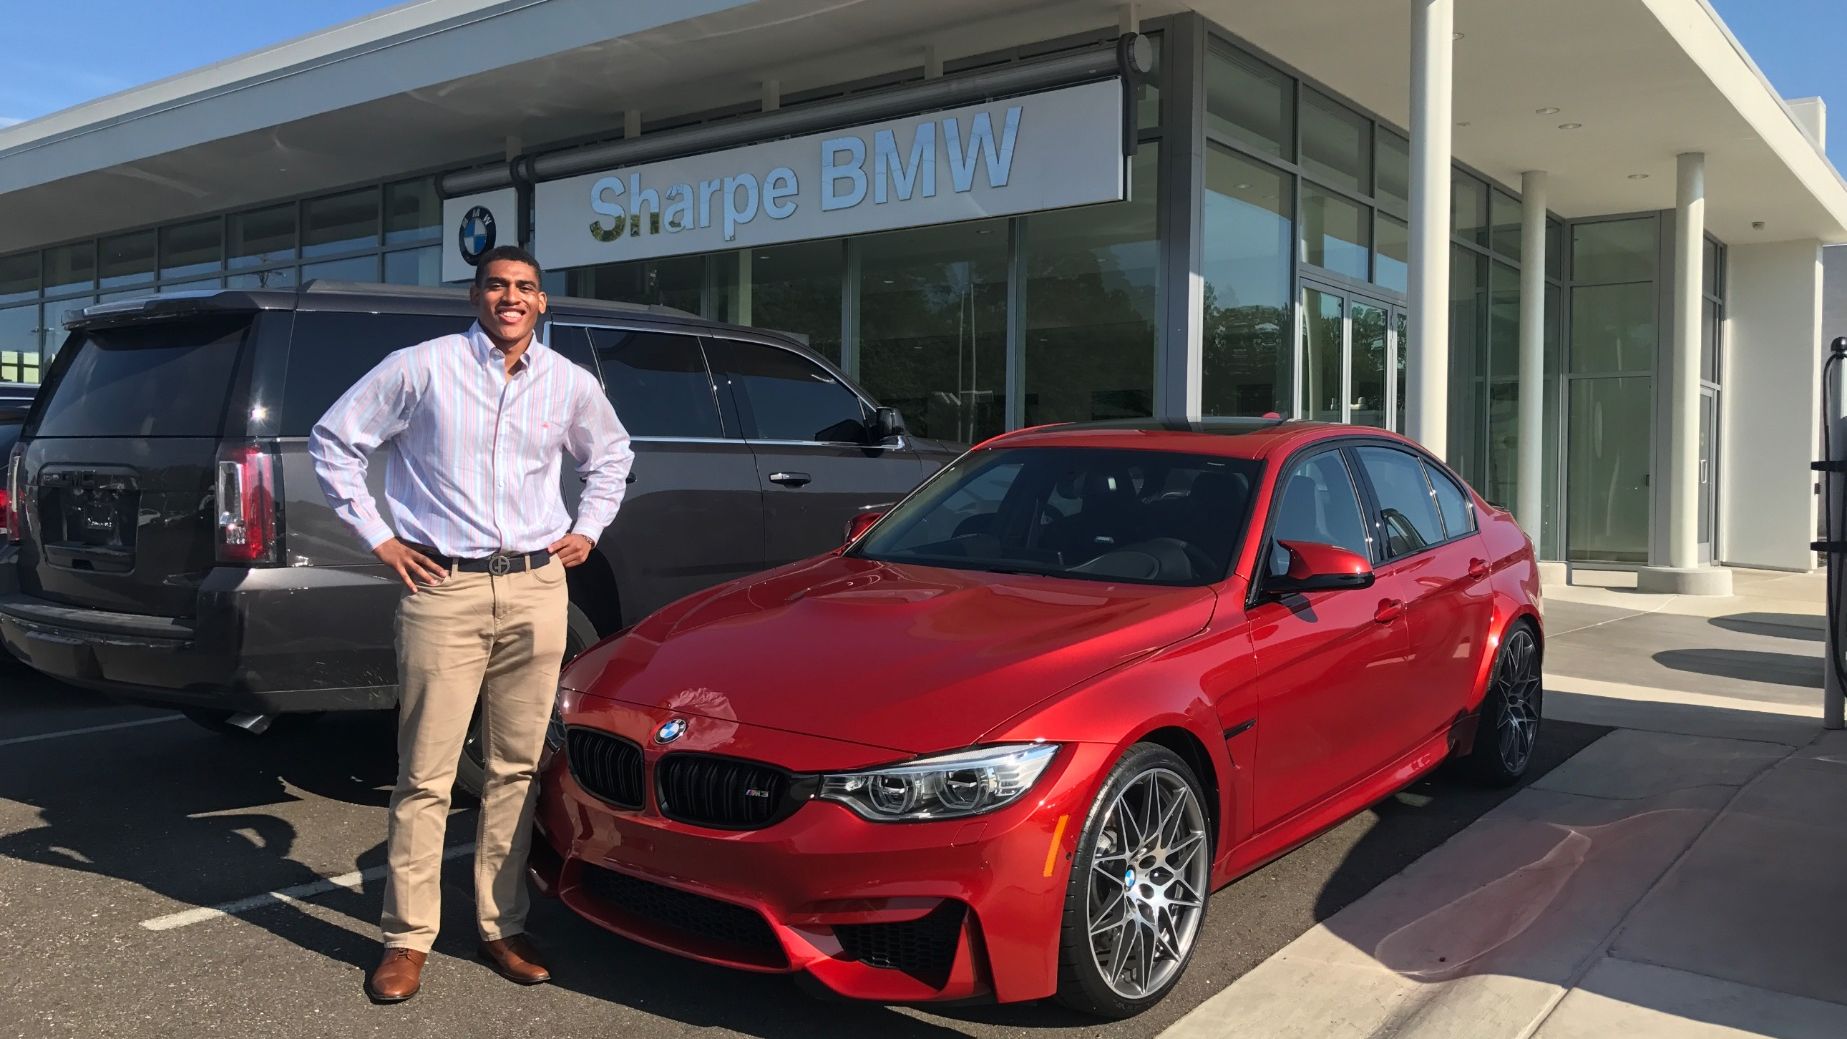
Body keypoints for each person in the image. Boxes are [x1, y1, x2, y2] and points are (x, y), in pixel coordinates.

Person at [309, 245, 632, 1004]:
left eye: (524, 287)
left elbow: (612, 455)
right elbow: (334, 441)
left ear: (541, 302)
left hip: (536, 589)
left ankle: (500, 924)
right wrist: (380, 538)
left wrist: (589, 527)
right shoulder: (419, 368)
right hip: (444, 587)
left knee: (517, 768)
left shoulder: (568, 382)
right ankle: (406, 937)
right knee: (425, 773)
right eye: (495, 285)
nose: (509, 297)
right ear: (475, 296)